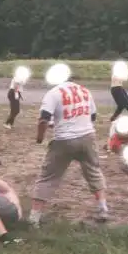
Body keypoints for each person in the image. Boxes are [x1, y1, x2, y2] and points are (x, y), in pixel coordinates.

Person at [29, 78, 109, 227]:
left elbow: (43, 120)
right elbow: (92, 116)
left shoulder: (53, 93)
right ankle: (103, 208)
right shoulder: (85, 91)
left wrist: (40, 138)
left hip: (64, 140)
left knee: (47, 177)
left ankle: (34, 219)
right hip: (87, 136)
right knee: (94, 171)